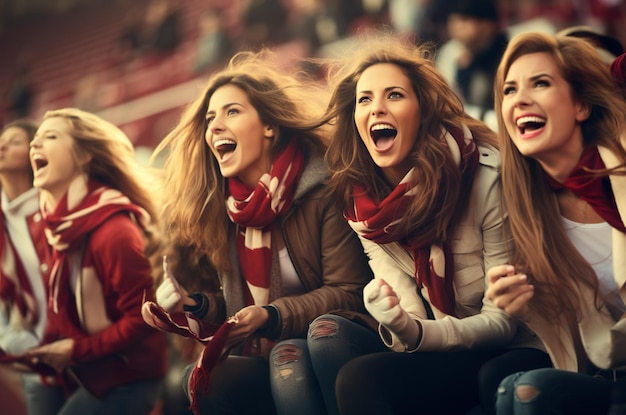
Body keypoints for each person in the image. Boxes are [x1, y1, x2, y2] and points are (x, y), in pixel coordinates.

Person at [301, 33, 549, 415]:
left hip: (521, 343)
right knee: (357, 378)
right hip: (446, 342)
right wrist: (398, 321)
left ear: (424, 108)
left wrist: (415, 333)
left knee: (492, 378)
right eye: (365, 99)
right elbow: (412, 318)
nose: (377, 108)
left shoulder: (484, 177)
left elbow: (503, 322)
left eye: (394, 95)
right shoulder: (362, 210)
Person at [150, 50, 373, 415]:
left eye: (231, 112)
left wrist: (271, 315)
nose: (215, 127)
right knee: (199, 381)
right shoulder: (225, 210)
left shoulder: (324, 189)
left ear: (269, 125)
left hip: (333, 338)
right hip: (265, 350)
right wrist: (195, 305)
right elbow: (240, 308)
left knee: (290, 360)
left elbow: (349, 292)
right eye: (210, 118)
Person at [485, 31, 626, 415]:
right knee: (512, 389)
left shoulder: (620, 163)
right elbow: (586, 340)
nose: (521, 99)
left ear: (581, 105)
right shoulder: (530, 208)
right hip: (609, 366)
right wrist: (523, 305)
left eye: (541, 83)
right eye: (509, 90)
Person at [24, 108, 167, 415]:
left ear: (85, 156)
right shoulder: (46, 225)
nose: (34, 145)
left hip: (128, 376)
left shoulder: (115, 231)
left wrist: (75, 350)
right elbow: (56, 306)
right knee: (34, 388)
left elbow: (142, 320)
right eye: (35, 139)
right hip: (81, 367)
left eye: (50, 136)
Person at [0, 119, 50, 415]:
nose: (2, 145)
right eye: (1, 139)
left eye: (15, 141)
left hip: (75, 348)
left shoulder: (54, 208)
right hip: (26, 355)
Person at [435, 0, 508, 130]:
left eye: (464, 19)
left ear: (487, 25)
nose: (456, 26)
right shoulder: (451, 52)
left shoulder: (505, 57)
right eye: (452, 20)